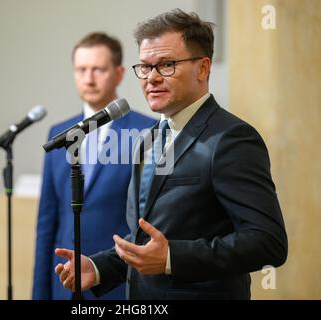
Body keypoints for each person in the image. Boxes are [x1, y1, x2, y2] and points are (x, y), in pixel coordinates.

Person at [54, 9, 288, 300]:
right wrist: (99, 267)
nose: (151, 78)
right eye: (145, 66)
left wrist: (171, 258)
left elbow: (268, 242)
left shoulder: (231, 138)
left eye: (166, 65)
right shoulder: (148, 139)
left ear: (203, 68)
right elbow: (145, 238)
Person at [32, 32, 156, 300]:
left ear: (120, 74)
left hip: (118, 285)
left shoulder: (146, 131)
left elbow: (150, 219)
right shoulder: (59, 133)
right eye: (81, 69)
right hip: (62, 282)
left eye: (98, 69)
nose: (89, 78)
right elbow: (47, 222)